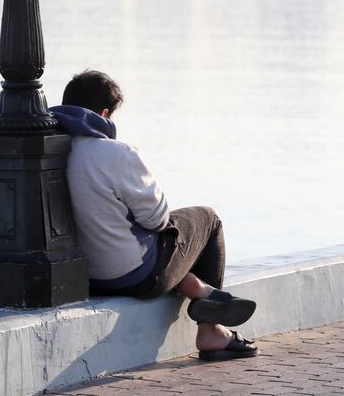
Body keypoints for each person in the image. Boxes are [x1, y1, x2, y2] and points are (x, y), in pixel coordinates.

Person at [51, 70, 258, 361]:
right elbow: (157, 220)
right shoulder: (116, 153)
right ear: (105, 113)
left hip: (81, 279)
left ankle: (195, 286)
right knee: (207, 220)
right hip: (132, 277)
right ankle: (211, 330)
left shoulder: (49, 152)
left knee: (144, 233)